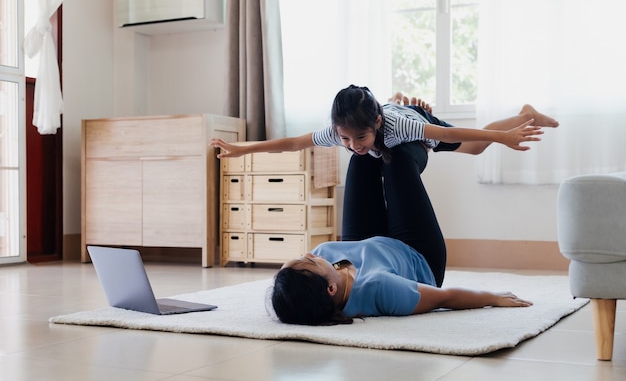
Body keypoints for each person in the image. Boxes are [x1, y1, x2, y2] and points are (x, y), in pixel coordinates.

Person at [271, 139, 533, 325]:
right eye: (308, 261)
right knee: (395, 155)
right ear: (330, 289)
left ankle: (391, 117)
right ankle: (419, 139)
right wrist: (492, 298)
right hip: (415, 254)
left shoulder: (323, 257)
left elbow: (294, 298)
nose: (309, 253)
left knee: (361, 158)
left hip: (370, 244)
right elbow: (446, 297)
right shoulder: (381, 287)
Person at [210, 85, 559, 163]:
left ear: (376, 124)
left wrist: (502, 136)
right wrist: (243, 149)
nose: (353, 145)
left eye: (359, 137)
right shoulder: (341, 131)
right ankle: (400, 97)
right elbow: (292, 143)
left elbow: (448, 133)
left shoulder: (397, 129)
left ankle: (525, 113)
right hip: (392, 107)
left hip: (412, 118)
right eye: (346, 139)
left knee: (476, 148)